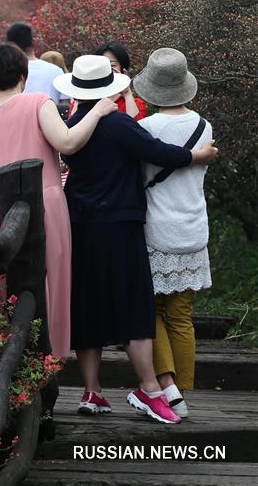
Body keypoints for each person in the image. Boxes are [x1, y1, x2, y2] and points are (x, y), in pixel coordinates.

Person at [57, 54, 218, 424]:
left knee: (88, 304)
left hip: (80, 222)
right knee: (134, 304)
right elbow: (158, 153)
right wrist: (199, 155)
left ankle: (92, 390)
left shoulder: (74, 123)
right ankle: (151, 388)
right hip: (121, 221)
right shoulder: (118, 125)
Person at [0, 44, 118, 359]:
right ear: (22, 75)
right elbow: (67, 142)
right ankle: (51, 355)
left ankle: (13, 356)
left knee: (9, 289)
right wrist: (100, 110)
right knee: (53, 278)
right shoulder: (38, 102)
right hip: (46, 202)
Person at [136, 48, 213, 419]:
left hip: (158, 230)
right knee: (182, 316)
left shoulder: (148, 129)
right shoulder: (204, 126)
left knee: (150, 311)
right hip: (194, 226)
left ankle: (167, 389)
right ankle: (181, 390)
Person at [6, 22, 69, 114]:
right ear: (33, 42)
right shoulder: (56, 71)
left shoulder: (6, 73)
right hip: (50, 126)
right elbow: (66, 107)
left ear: (11, 45)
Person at [93, 42, 146, 120]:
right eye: (102, 66)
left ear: (123, 69)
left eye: (112, 65)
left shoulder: (136, 103)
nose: (107, 70)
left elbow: (135, 128)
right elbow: (71, 128)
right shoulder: (86, 101)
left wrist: (127, 93)